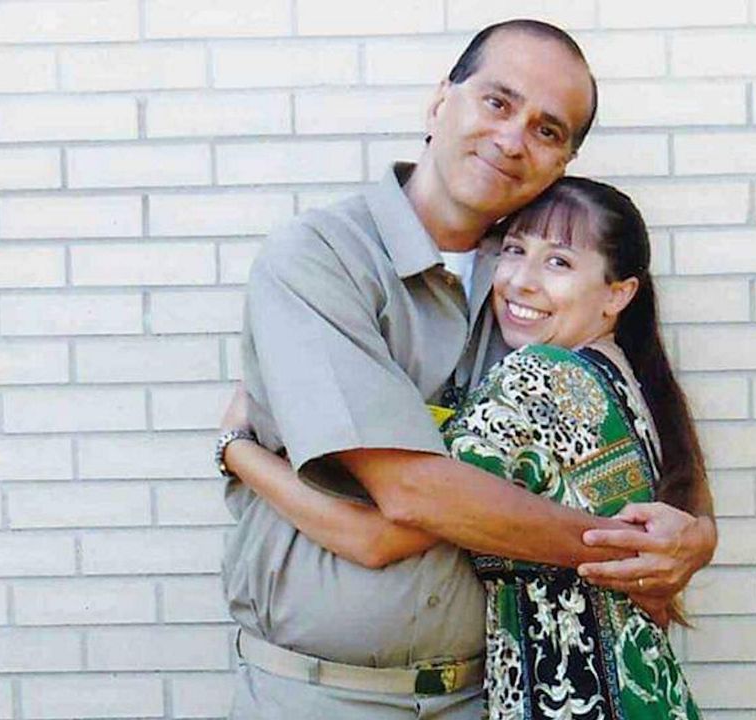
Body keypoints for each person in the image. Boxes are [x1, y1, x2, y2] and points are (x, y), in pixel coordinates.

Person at [216, 19, 717, 720]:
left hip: (494, 697)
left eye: (548, 130)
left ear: (562, 162)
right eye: (497, 102)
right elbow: (408, 498)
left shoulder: (533, 296)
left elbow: (636, 430)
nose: (513, 138)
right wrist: (634, 556)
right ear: (439, 102)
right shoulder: (320, 260)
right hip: (320, 696)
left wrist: (692, 534)